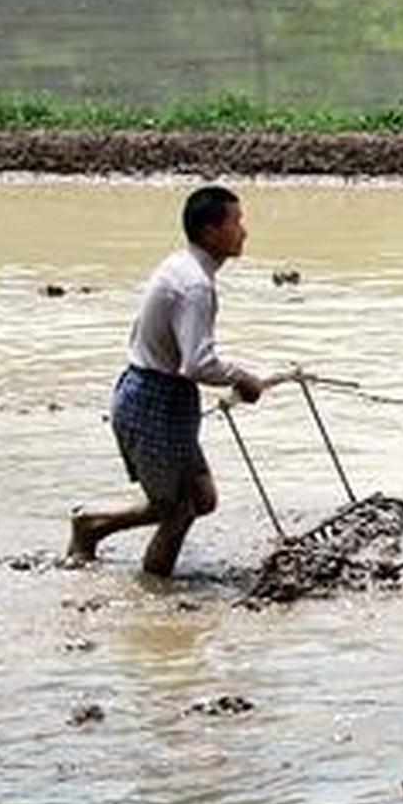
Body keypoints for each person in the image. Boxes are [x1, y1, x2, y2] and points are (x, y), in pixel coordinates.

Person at [68, 185, 288, 577]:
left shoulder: (181, 266)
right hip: (156, 399)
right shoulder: (196, 285)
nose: (244, 231)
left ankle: (100, 530)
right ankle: (148, 583)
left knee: (202, 499)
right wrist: (244, 378)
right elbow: (197, 363)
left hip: (152, 391)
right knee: (175, 507)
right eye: (236, 222)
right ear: (209, 231)